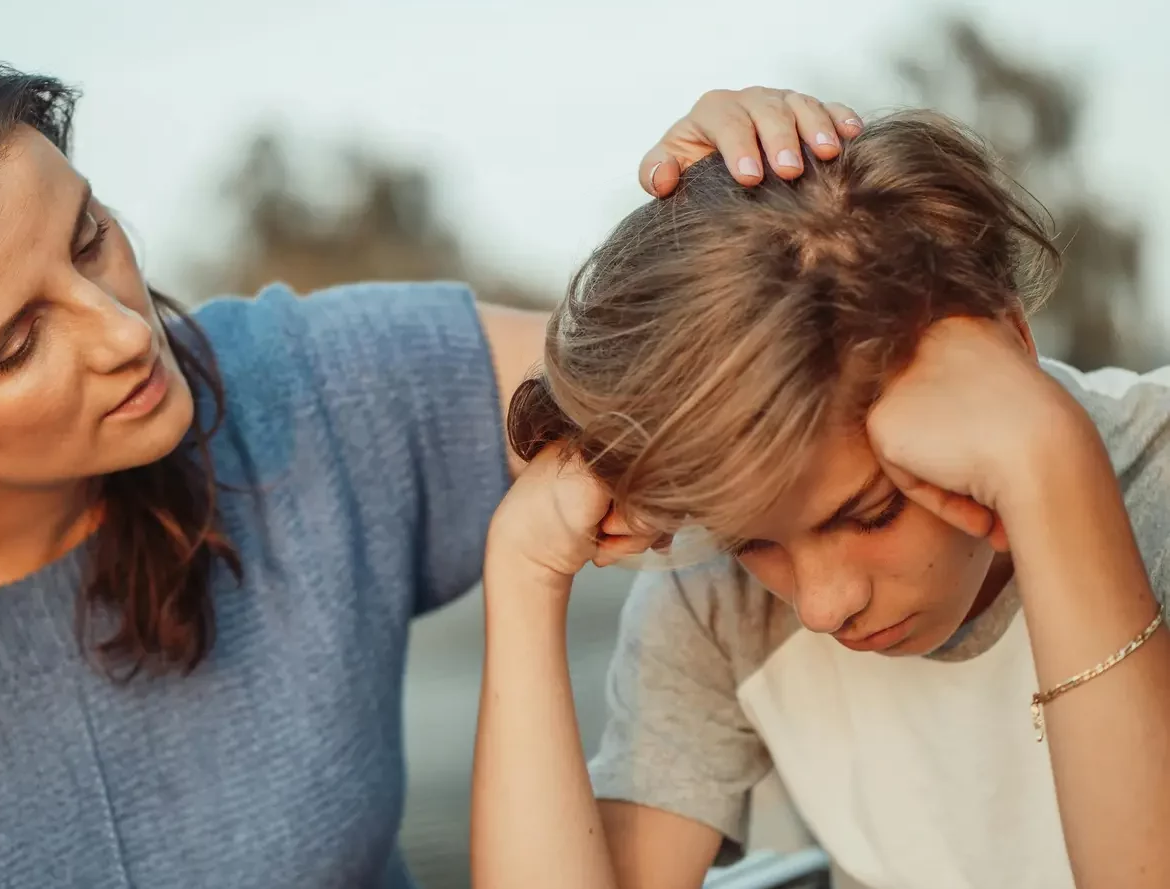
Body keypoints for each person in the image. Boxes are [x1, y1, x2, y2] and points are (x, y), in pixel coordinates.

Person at [0, 47, 861, 888]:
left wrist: (746, 219)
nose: (120, 333)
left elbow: (719, 368)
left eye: (90, 237)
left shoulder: (310, 390)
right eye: (17, 344)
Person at [472, 110, 1170, 889]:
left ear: (1008, 345)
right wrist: (523, 572)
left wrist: (1051, 467)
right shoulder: (716, 598)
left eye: (869, 512)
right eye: (753, 542)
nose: (821, 605)